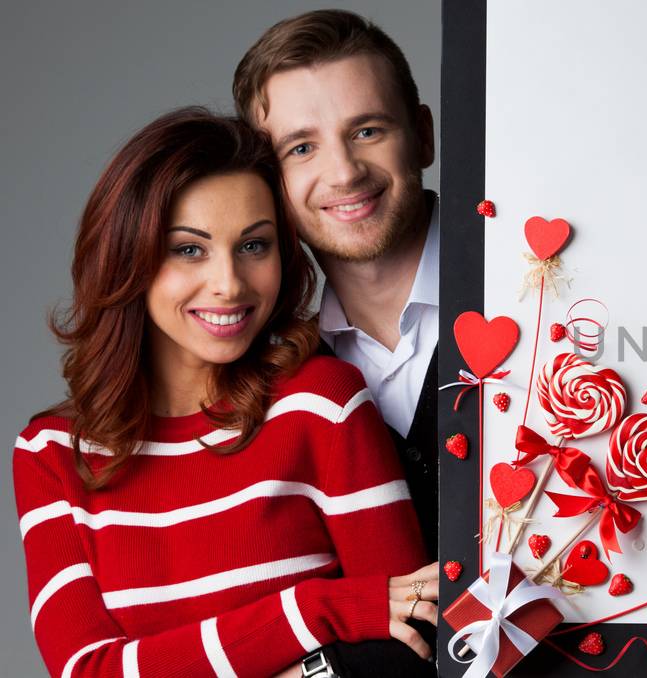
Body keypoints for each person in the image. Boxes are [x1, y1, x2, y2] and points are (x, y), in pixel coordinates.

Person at [12, 109, 436, 678]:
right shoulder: (51, 455)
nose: (230, 284)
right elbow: (87, 670)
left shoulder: (322, 405)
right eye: (189, 249)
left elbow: (410, 643)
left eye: (254, 246)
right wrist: (317, 611)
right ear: (126, 255)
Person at [233, 9, 440, 560]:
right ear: (268, 181)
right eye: (301, 148)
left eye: (367, 131)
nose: (344, 172)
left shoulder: (540, 293)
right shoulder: (271, 378)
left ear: (422, 136)